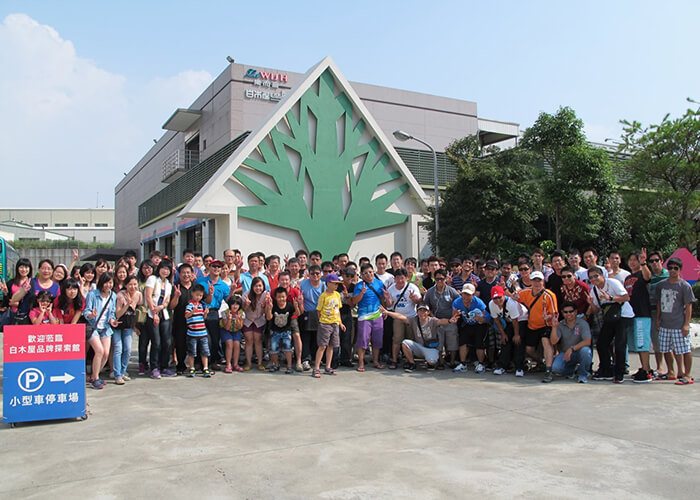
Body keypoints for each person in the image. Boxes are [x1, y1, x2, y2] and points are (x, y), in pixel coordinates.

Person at [587, 267, 633, 384]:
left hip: (623, 315)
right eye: (591, 277)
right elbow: (596, 310)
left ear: (602, 275)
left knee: (619, 344)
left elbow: (626, 297)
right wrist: (591, 303)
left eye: (596, 276)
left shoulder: (612, 283)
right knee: (601, 343)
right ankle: (606, 370)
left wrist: (610, 298)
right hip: (609, 317)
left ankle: (620, 373)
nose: (594, 279)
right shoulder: (594, 290)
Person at [381, 304, 459, 372]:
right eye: (420, 311)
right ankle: (412, 363)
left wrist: (450, 321)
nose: (422, 313)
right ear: (417, 312)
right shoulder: (414, 320)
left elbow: (441, 321)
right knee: (405, 343)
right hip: (419, 347)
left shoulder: (432, 321)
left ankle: (430, 362)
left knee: (432, 361)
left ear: (428, 312)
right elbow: (401, 317)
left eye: (424, 311)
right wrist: (387, 312)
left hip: (430, 348)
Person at [656, 257, 696, 385]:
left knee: (684, 349)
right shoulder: (661, 285)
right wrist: (658, 320)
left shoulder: (684, 286)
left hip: (679, 324)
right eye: (670, 268)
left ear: (680, 269)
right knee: (665, 349)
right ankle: (671, 372)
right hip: (664, 323)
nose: (673, 270)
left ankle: (687, 375)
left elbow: (689, 306)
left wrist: (686, 324)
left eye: (676, 268)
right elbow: (659, 303)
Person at [515, 271, 558, 383]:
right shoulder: (526, 292)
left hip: (545, 325)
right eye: (534, 281)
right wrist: (506, 289)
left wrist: (548, 317)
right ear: (531, 281)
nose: (537, 283)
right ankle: (542, 361)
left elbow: (554, 313)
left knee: (546, 342)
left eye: (539, 281)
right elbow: (515, 296)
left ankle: (548, 370)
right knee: (529, 349)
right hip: (532, 326)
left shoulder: (549, 295)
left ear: (543, 282)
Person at [83, 272, 118, 389]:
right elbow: (86, 311)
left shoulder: (113, 295)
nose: (108, 285)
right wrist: (91, 315)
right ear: (101, 283)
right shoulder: (92, 294)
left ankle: (94, 376)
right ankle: (96, 378)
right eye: (106, 282)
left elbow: (112, 312)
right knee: (99, 351)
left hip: (106, 327)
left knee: (106, 353)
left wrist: (112, 320)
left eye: (110, 282)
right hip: (93, 326)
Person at [351, 263, 388, 371]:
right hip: (364, 316)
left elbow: (382, 298)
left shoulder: (379, 283)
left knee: (377, 340)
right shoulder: (359, 286)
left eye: (370, 272)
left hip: (377, 315)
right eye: (365, 273)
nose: (368, 275)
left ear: (373, 272)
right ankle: (361, 363)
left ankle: (375, 361)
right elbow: (354, 301)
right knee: (363, 341)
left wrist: (385, 310)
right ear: (362, 275)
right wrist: (362, 293)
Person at [624, 249, 654, 383]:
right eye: (630, 260)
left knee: (643, 344)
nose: (632, 262)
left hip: (642, 313)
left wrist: (643, 263)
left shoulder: (642, 273)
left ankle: (647, 371)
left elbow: (648, 277)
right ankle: (643, 368)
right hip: (631, 314)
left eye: (635, 260)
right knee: (636, 344)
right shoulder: (627, 278)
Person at [422, 268, 460, 367]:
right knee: (438, 342)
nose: (439, 281)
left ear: (446, 279)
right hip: (436, 320)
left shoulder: (451, 291)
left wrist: (455, 315)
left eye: (442, 279)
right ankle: (440, 361)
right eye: (437, 279)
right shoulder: (430, 292)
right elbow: (425, 305)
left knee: (452, 341)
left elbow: (459, 302)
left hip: (450, 319)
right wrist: (432, 316)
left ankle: (452, 361)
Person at [385, 268, 421, 369]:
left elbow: (419, 301)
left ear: (406, 278)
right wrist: (387, 299)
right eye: (398, 278)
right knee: (397, 339)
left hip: (411, 317)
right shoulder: (391, 289)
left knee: (410, 340)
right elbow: (389, 305)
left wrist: (414, 299)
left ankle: (409, 360)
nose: (400, 280)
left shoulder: (412, 287)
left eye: (402, 278)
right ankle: (394, 360)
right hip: (398, 317)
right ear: (394, 278)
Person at [197, 259, 230, 367]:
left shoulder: (224, 285)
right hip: (200, 312)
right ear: (209, 267)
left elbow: (228, 300)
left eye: (218, 267)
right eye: (214, 266)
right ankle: (199, 362)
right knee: (201, 338)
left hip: (214, 313)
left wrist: (233, 291)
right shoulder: (200, 281)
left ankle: (213, 361)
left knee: (215, 339)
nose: (216, 269)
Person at [144, 260, 174, 379]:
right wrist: (154, 312)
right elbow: (148, 296)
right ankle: (154, 367)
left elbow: (167, 301)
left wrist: (161, 307)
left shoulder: (168, 284)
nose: (165, 271)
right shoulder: (152, 279)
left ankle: (164, 366)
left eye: (168, 269)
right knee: (156, 342)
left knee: (167, 342)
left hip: (164, 314)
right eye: (163, 268)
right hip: (152, 314)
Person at [550, 301, 593, 383]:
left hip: (579, 352)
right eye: (566, 312)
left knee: (586, 351)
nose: (568, 314)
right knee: (556, 368)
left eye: (571, 311)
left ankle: (582, 374)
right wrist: (554, 327)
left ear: (576, 312)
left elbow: (587, 341)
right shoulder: (560, 324)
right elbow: (553, 341)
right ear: (562, 313)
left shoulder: (583, 324)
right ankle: (571, 370)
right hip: (565, 353)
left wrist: (572, 349)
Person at [452, 283, 490, 374]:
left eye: (468, 294)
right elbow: (454, 314)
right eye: (464, 293)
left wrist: (482, 319)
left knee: (479, 343)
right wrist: (455, 315)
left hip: (479, 324)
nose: (465, 296)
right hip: (467, 323)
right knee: (463, 341)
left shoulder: (479, 303)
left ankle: (481, 364)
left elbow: (487, 316)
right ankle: (463, 364)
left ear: (473, 295)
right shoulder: (457, 302)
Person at [489, 285, 526, 376]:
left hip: (521, 319)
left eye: (499, 297)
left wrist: (516, 335)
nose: (498, 300)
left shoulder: (511, 303)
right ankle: (502, 366)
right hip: (509, 321)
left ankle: (519, 367)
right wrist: (503, 334)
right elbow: (496, 320)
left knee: (518, 342)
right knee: (505, 341)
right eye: (495, 298)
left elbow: (515, 321)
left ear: (503, 295)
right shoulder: (491, 304)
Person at [313, 274, 345, 377]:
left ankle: (328, 366)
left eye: (337, 284)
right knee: (322, 346)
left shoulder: (337, 295)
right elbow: (319, 310)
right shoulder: (323, 296)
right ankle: (316, 368)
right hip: (325, 323)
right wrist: (322, 321)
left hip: (335, 323)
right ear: (328, 284)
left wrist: (340, 322)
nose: (336, 286)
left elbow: (338, 310)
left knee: (332, 346)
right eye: (334, 284)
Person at [112, 275, 141, 384]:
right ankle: (117, 375)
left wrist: (135, 326)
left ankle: (123, 371)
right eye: (130, 284)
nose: (133, 287)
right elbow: (118, 314)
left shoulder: (139, 295)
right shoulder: (120, 295)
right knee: (118, 349)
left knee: (128, 349)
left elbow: (138, 310)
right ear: (126, 285)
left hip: (128, 326)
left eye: (135, 284)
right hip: (118, 325)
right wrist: (127, 304)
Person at [265, 287, 299, 373]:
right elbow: (269, 317)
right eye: (279, 297)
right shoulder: (274, 305)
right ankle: (276, 364)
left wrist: (296, 307)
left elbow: (297, 314)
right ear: (275, 297)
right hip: (275, 331)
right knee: (273, 349)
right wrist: (269, 308)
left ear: (286, 297)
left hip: (286, 331)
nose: (281, 299)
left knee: (288, 348)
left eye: (283, 297)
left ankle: (289, 366)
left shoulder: (289, 305)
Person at [169, 263, 195, 375]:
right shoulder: (175, 287)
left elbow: (205, 301)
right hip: (179, 320)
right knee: (180, 343)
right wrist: (176, 296)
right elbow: (171, 306)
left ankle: (195, 365)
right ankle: (180, 365)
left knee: (195, 343)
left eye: (188, 272)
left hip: (194, 321)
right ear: (179, 275)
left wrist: (210, 294)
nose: (186, 275)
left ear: (192, 274)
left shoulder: (196, 287)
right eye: (183, 272)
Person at [647, 251, 670, 377]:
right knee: (656, 341)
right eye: (652, 261)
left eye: (657, 260)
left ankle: (673, 369)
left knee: (671, 342)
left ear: (662, 261)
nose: (654, 263)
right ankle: (660, 367)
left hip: (669, 311)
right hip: (653, 311)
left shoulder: (669, 274)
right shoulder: (648, 277)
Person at [299, 265, 326, 370]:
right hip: (307, 313)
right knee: (306, 337)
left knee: (317, 337)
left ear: (321, 274)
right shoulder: (303, 284)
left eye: (317, 273)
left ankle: (316, 358)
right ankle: (306, 359)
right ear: (309, 274)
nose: (315, 275)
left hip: (319, 314)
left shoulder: (324, 285)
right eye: (312, 273)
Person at [242, 276, 271, 370]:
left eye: (260, 286)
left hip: (259, 320)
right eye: (256, 286)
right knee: (249, 340)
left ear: (263, 286)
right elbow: (242, 309)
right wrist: (246, 305)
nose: (258, 288)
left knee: (258, 340)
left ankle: (260, 363)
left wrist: (266, 305)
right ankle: (248, 363)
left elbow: (266, 312)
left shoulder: (266, 295)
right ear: (252, 287)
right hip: (248, 320)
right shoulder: (246, 294)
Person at [185, 283, 213, 377]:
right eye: (197, 295)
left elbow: (202, 318)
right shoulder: (189, 305)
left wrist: (205, 314)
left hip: (202, 333)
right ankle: (192, 368)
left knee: (205, 352)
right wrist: (193, 311)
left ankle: (205, 368)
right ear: (192, 293)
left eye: (200, 296)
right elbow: (186, 315)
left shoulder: (201, 305)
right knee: (192, 352)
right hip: (192, 334)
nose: (198, 297)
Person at [220, 295, 245, 373]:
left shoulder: (241, 313)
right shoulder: (225, 313)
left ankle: (235, 364)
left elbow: (240, 327)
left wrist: (238, 320)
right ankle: (228, 364)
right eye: (233, 304)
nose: (235, 306)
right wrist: (229, 319)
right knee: (229, 343)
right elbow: (227, 327)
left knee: (237, 344)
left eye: (237, 304)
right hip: (226, 330)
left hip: (236, 330)